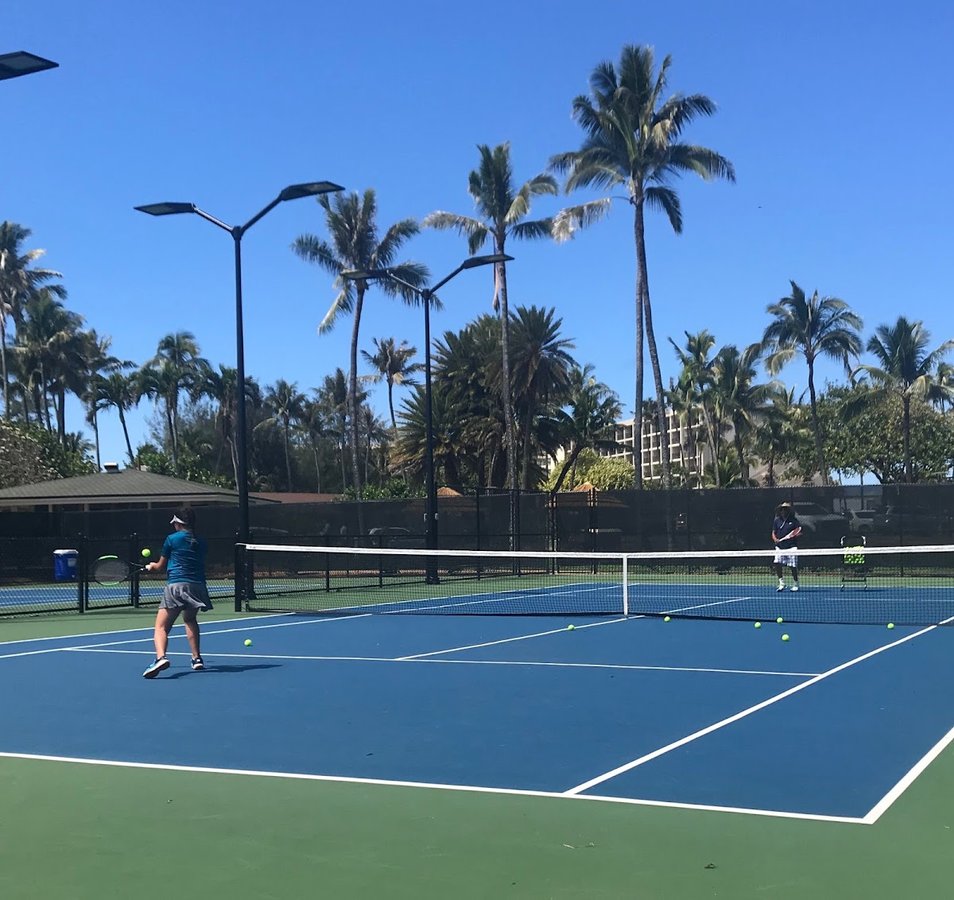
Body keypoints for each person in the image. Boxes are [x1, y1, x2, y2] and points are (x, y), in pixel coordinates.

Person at [141, 507, 212, 678]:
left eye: (174, 522)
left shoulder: (172, 539)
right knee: (190, 619)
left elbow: (159, 566)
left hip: (176, 586)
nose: (172, 525)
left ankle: (160, 658)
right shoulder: (201, 541)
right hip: (197, 586)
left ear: (178, 523)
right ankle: (196, 659)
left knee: (161, 627)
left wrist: (151, 566)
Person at [771, 501, 802, 592]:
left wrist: (794, 535)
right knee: (777, 563)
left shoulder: (794, 521)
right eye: (782, 509)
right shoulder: (777, 521)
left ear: (788, 511)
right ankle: (781, 583)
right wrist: (775, 539)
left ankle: (796, 583)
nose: (783, 511)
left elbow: (799, 531)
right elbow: (773, 532)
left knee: (792, 566)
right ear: (780, 511)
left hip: (791, 547)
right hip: (779, 547)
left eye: (785, 509)